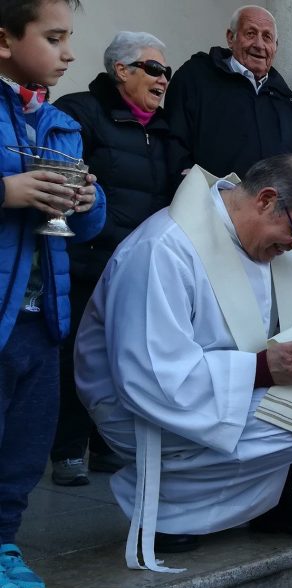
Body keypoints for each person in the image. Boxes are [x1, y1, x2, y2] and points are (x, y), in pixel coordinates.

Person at [75, 154, 292, 568]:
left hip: (233, 388)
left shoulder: (285, 233)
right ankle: (169, 511)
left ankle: (280, 504)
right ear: (265, 200)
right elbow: (149, 376)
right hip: (146, 407)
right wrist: (262, 369)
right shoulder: (165, 248)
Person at [0, 0, 105, 588]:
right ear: (6, 40)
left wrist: (88, 198)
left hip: (43, 320)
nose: (69, 53)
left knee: (24, 447)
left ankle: (4, 546)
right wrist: (8, 191)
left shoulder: (61, 122)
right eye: (55, 37)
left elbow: (88, 223)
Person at [49, 31, 173, 487]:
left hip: (137, 266)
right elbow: (69, 183)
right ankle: (66, 451)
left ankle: (105, 446)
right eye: (154, 68)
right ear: (122, 70)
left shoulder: (162, 129)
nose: (163, 79)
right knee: (76, 358)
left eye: (167, 72)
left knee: (123, 358)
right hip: (89, 259)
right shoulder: (78, 112)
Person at [163, 5, 292, 188]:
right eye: (251, 34)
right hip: (212, 209)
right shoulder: (194, 79)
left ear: (275, 47)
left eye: (267, 37)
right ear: (231, 38)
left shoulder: (288, 102)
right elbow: (172, 146)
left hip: (275, 213)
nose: (259, 45)